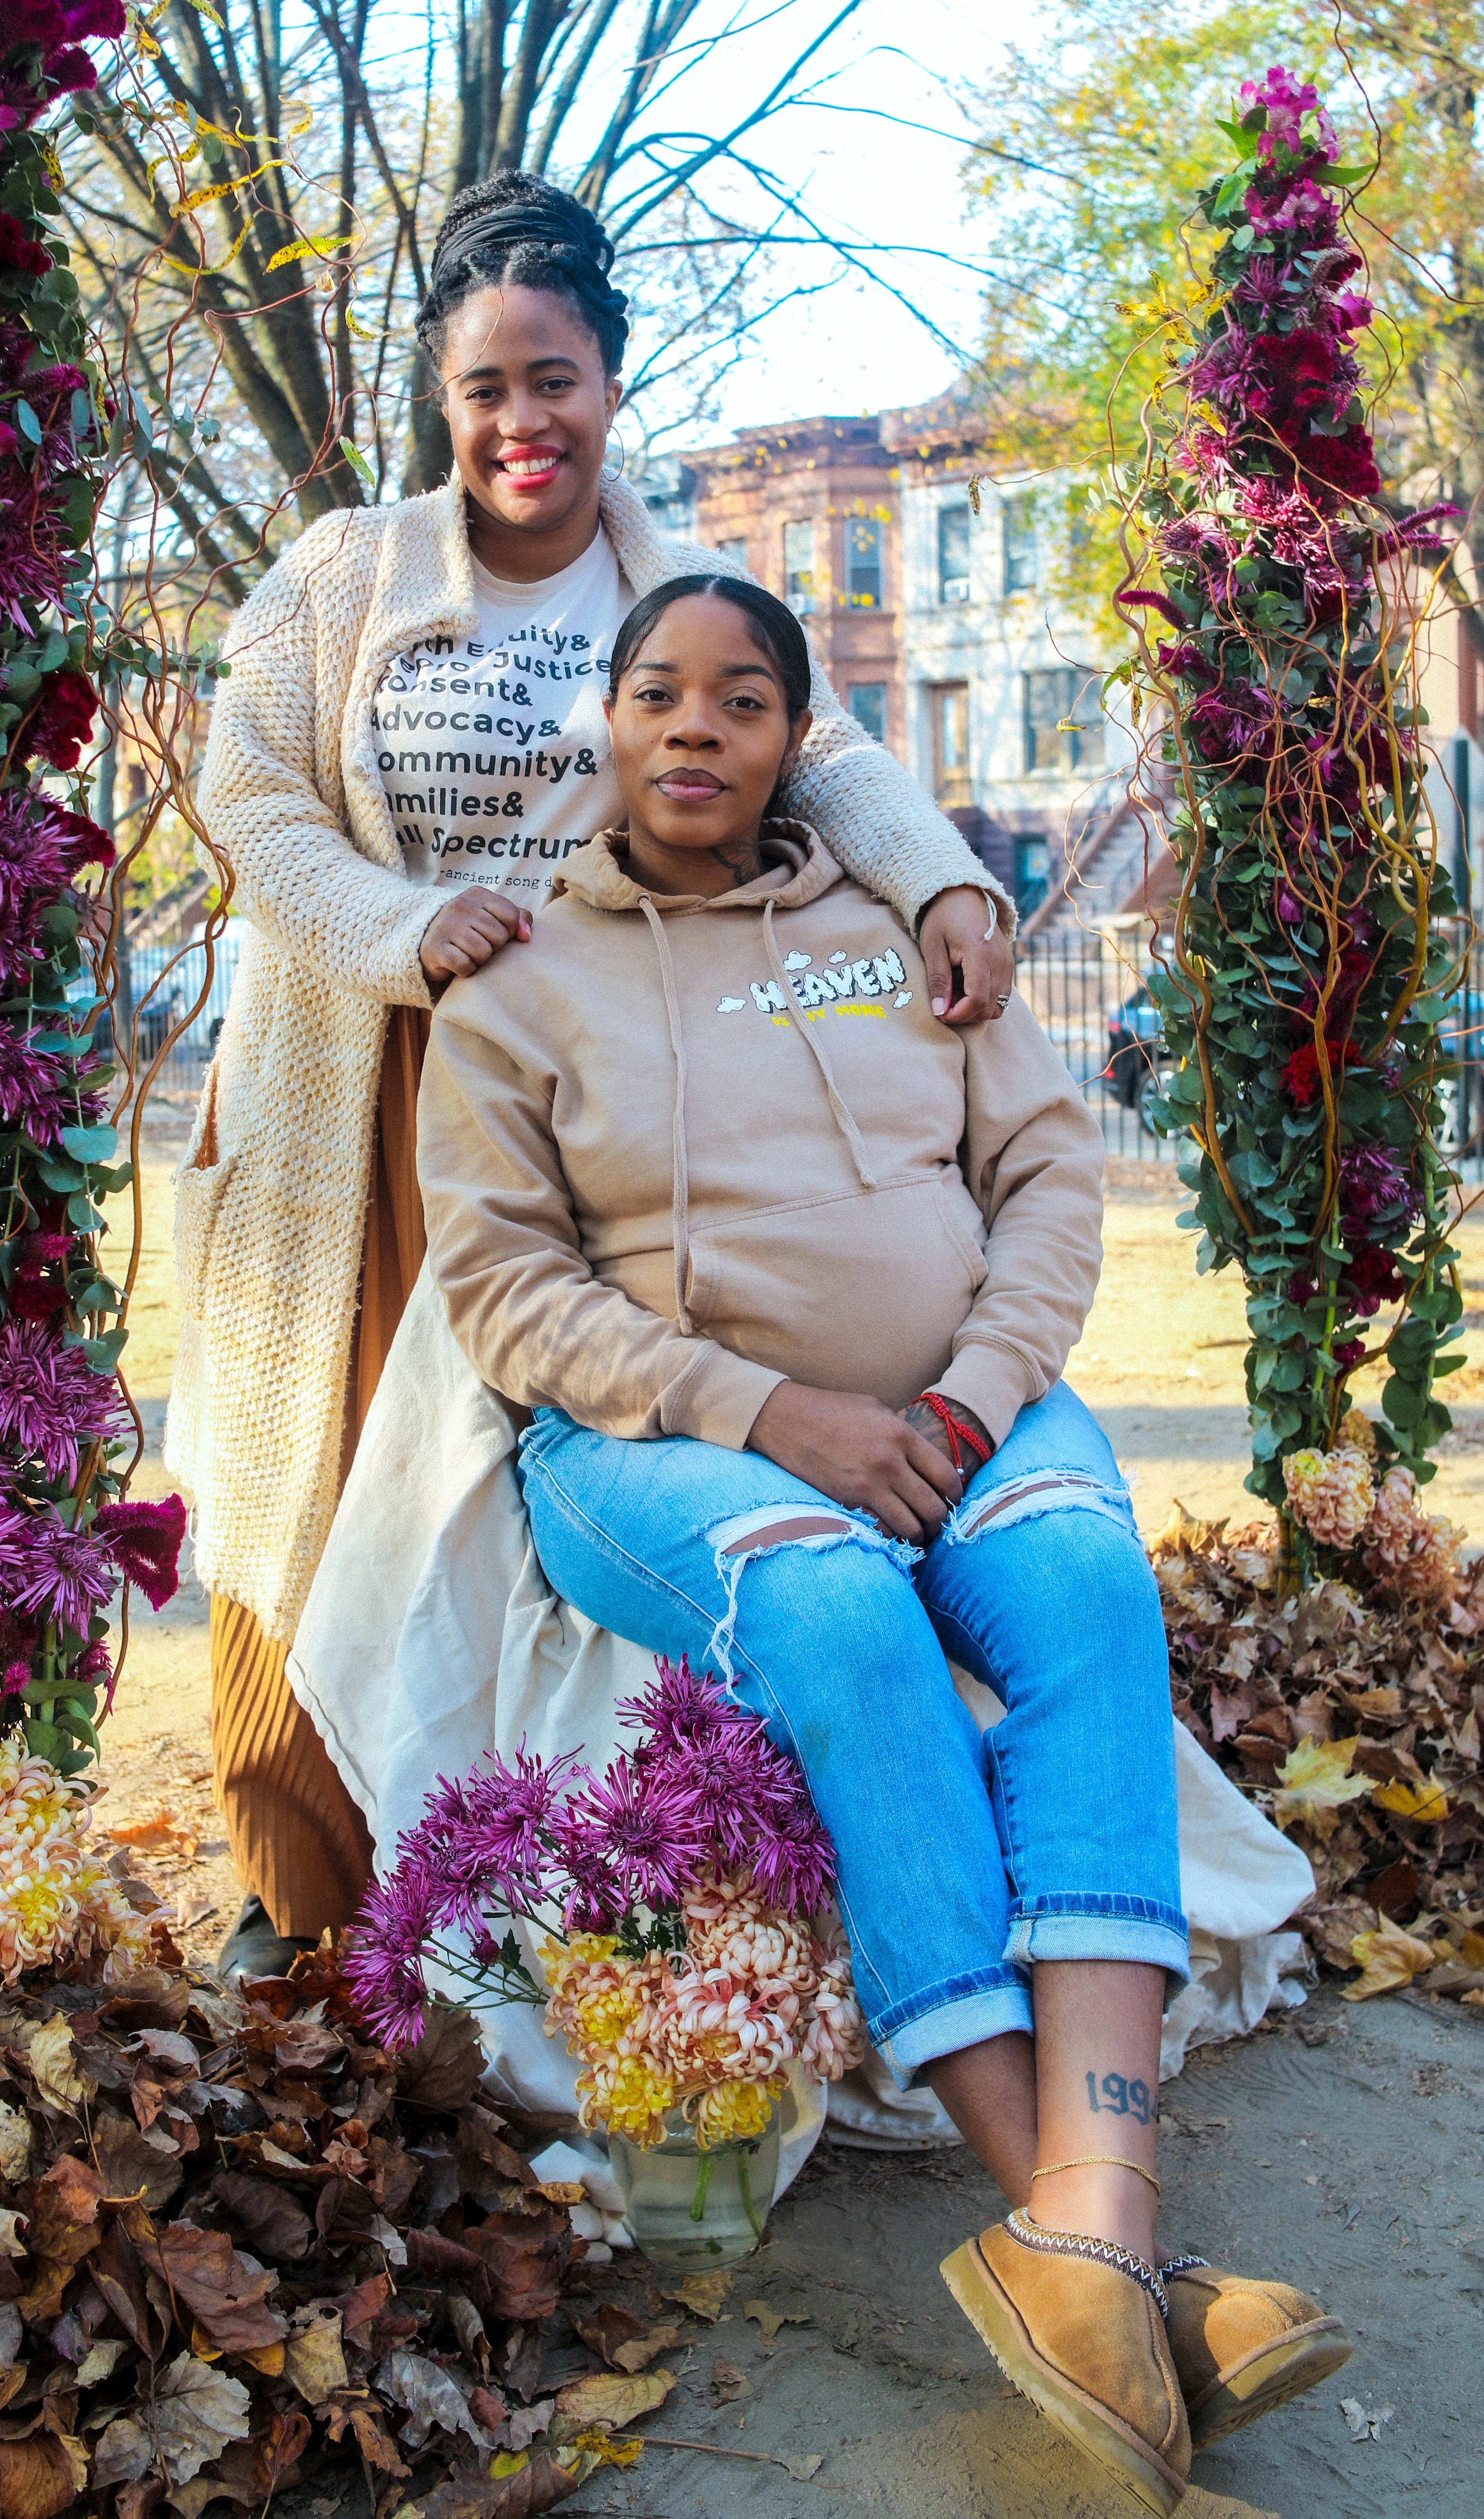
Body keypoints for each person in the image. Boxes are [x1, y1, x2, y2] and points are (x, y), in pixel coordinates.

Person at [414, 575, 1352, 2516]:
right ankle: (1113, 2253)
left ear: (789, 742)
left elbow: (1045, 1176)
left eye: (740, 700)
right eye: (658, 693)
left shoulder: (909, 934)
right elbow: (503, 1289)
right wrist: (783, 1418)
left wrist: (963, 1396)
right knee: (839, 1615)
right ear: (606, 722)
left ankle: (1079, 2226)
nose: (693, 727)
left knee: (1089, 1587)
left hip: (962, 1410)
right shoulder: (511, 982)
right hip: (654, 1447)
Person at [167, 170, 1017, 1983]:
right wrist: (408, 925)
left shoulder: (680, 594)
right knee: (310, 1477)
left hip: (585, 1109)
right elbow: (242, 799)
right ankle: (299, 1877)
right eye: (483, 388)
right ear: (442, 400)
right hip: (353, 1097)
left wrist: (945, 874)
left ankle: (522, 1888)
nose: (519, 422)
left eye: (551, 378)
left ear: (611, 381)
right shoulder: (340, 579)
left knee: (531, 1505)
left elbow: (837, 752)